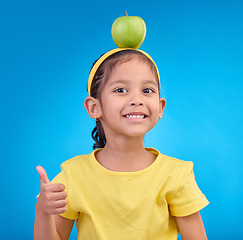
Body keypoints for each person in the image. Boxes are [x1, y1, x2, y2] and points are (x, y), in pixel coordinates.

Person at [34, 48, 209, 240]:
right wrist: (43, 211)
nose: (137, 100)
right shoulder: (74, 175)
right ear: (95, 107)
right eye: (120, 90)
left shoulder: (176, 175)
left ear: (160, 108)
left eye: (147, 90)